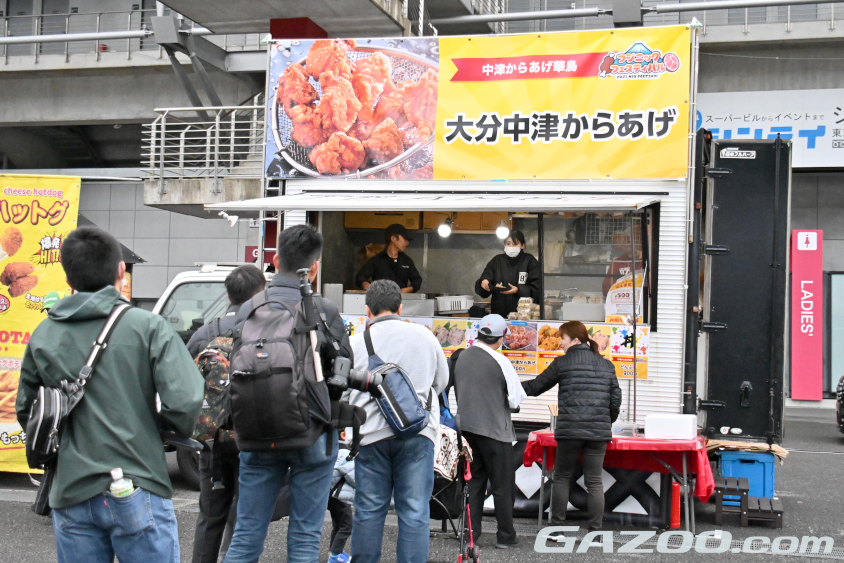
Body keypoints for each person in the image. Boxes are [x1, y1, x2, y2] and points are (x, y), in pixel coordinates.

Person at [16, 227, 204, 563]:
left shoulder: (44, 334)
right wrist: (159, 428)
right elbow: (186, 400)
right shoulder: (148, 327)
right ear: (121, 271)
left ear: (68, 277)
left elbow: (27, 411)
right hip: (137, 478)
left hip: (71, 486)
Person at [223, 224, 352, 563]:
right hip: (312, 433)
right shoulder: (323, 310)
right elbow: (343, 370)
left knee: (246, 534)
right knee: (305, 536)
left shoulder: (249, 308)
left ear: (276, 260)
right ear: (314, 267)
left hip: (256, 430)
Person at [347, 280, 449, 563]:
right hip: (418, 433)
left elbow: (344, 390)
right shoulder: (425, 337)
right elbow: (441, 382)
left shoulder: (356, 342)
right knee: (415, 511)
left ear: (367, 310)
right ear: (400, 308)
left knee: (368, 509)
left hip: (369, 436)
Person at [190, 265, 266, 563]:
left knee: (210, 515)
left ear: (228, 295)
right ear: (260, 295)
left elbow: (185, 381)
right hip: (253, 437)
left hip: (213, 438)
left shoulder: (204, 333)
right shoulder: (267, 331)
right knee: (246, 517)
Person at [521, 321, 622, 531]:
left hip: (570, 431)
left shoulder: (563, 363)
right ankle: (595, 530)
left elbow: (536, 387)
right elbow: (615, 400)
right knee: (594, 481)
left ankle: (556, 528)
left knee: (562, 477)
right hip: (598, 432)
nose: (560, 343)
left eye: (563, 338)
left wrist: (507, 386)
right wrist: (606, 421)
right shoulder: (606, 365)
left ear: (575, 340)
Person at [453, 314, 526, 549]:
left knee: (473, 483)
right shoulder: (501, 361)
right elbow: (515, 400)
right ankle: (505, 536)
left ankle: (470, 534)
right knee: (502, 486)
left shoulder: (461, 357)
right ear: (501, 337)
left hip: (467, 430)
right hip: (495, 431)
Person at [475, 230, 541, 317]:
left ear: (523, 245)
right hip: (499, 313)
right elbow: (486, 279)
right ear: (504, 245)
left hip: (523, 315)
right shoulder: (497, 261)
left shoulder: (529, 261)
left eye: (515, 244)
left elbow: (537, 288)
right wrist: (484, 283)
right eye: (508, 243)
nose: (511, 247)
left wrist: (518, 290)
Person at [355, 223, 422, 293]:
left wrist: (408, 289)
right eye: (405, 239)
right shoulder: (376, 260)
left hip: (401, 299)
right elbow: (360, 277)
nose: (407, 243)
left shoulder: (407, 261)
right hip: (380, 298)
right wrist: (365, 284)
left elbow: (417, 280)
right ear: (393, 238)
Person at [327, 433, 356, 563]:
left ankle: (334, 552)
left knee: (338, 524)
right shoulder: (344, 453)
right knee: (346, 525)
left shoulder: (332, 449)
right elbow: (354, 477)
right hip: (339, 496)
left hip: (329, 494)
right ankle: (334, 556)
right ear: (343, 435)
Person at [602, 228, 643, 297]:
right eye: (628, 241)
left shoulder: (650, 261)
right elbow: (606, 290)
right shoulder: (618, 262)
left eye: (636, 240)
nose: (631, 244)